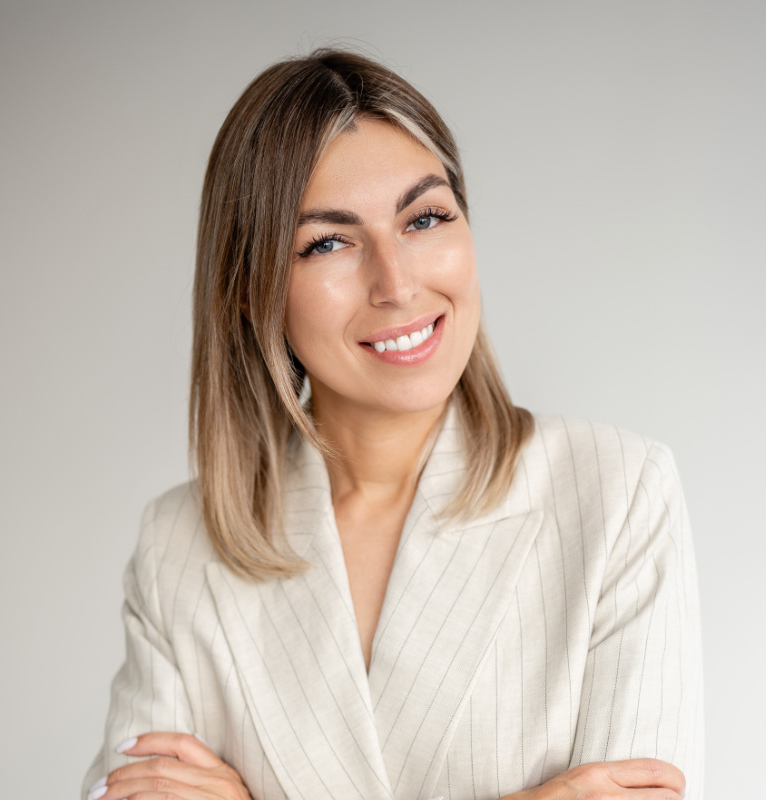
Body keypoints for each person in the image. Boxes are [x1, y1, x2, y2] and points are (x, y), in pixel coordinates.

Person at [83, 49, 703, 800]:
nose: (398, 283)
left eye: (425, 218)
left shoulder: (617, 493)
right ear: (249, 290)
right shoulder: (178, 547)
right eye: (328, 242)